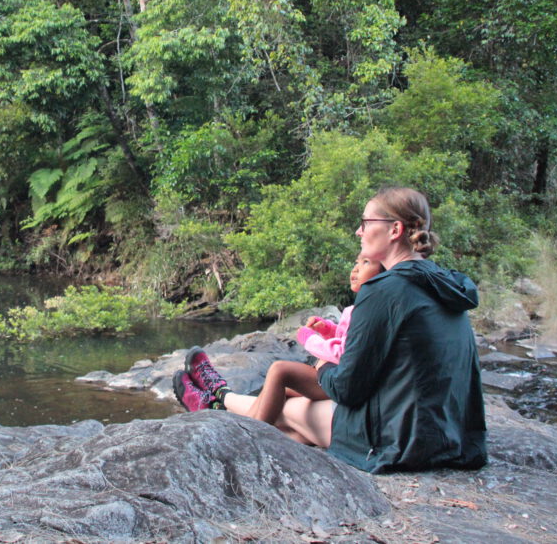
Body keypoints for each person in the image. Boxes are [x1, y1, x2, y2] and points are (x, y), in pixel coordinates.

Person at [175, 187, 487, 473]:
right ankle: (218, 400)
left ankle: (218, 402)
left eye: (365, 222)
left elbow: (347, 388)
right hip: (450, 437)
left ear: (395, 230)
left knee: (287, 408)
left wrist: (323, 364)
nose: (358, 231)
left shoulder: (385, 290)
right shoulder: (445, 284)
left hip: (400, 443)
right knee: (294, 421)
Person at [173, 253, 383, 443]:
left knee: (280, 372)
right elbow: (348, 338)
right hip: (341, 390)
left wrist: (309, 339)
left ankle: (233, 426)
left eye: (366, 262)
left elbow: (343, 351)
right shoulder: (361, 308)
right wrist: (327, 330)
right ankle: (217, 403)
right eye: (356, 262)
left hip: (342, 386)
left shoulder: (369, 310)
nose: (355, 269)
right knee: (288, 418)